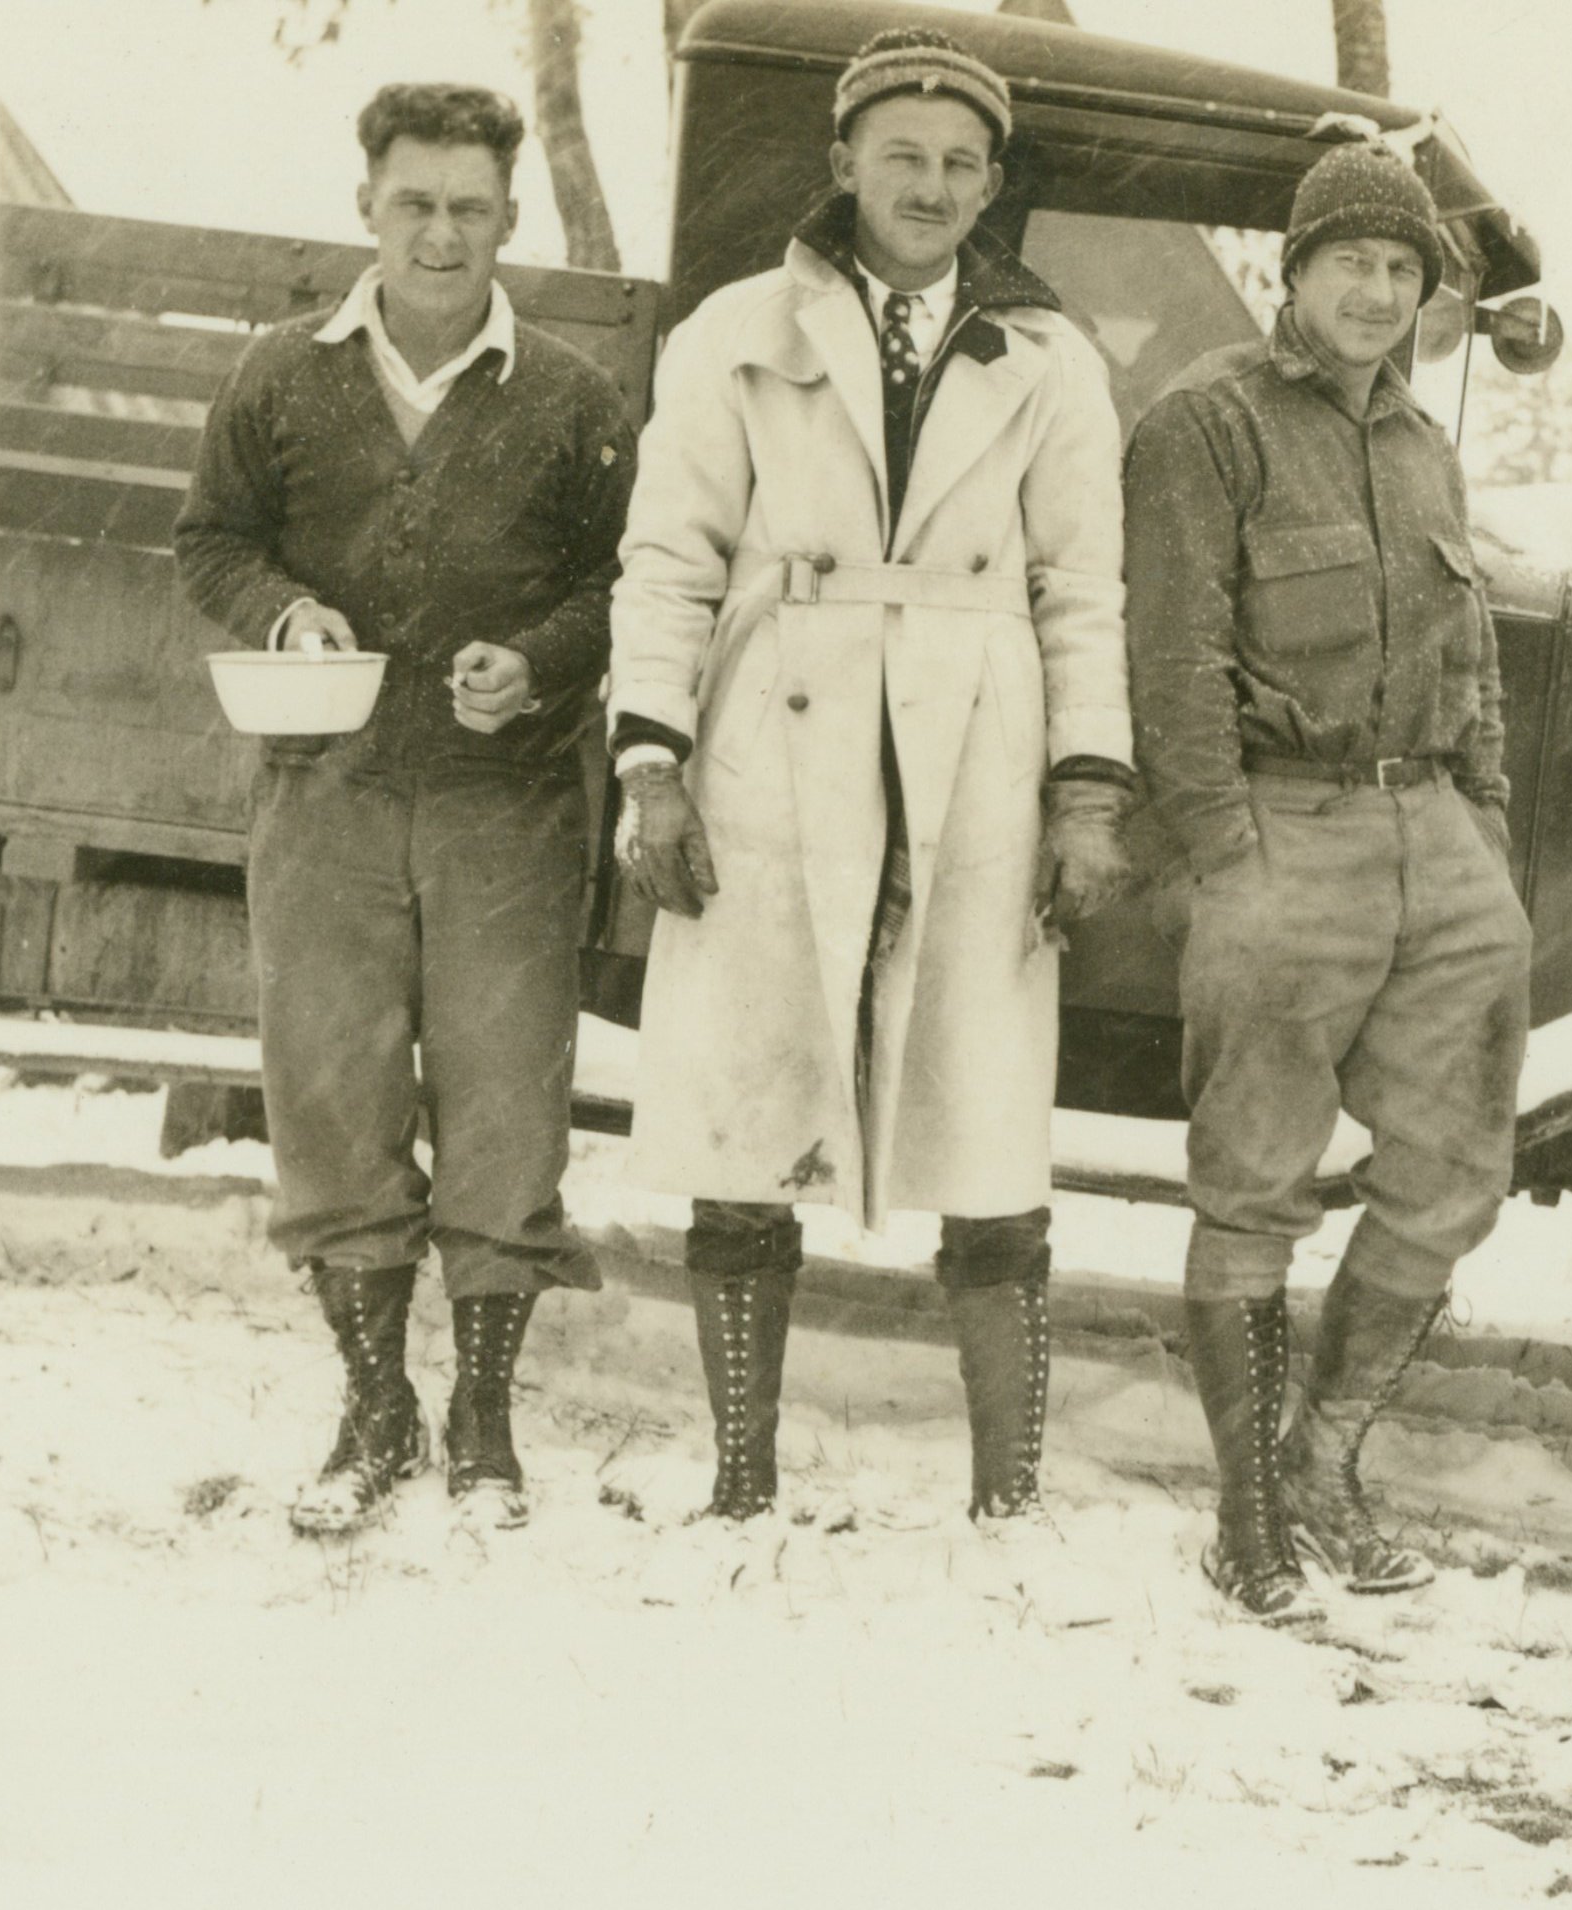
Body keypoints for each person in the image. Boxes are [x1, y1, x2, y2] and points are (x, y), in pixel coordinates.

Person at [605, 28, 1136, 1545]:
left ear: (993, 184)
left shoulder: (1050, 359)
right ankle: (742, 1477)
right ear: (841, 163)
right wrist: (653, 762)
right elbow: (670, 555)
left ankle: (1007, 1493)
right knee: (752, 1092)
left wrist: (1087, 791)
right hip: (777, 743)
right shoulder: (733, 332)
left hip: (976, 754)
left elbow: (1083, 587)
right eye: (902, 155)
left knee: (984, 1108)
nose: (932, 186)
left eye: (963, 163)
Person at [176, 83, 636, 1535]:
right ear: (364, 207)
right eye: (414, 203)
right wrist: (286, 605)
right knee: (331, 1091)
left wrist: (545, 661)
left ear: (512, 217)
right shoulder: (278, 375)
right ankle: (373, 1399)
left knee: (507, 1102)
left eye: (471, 207)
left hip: (506, 805)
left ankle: (482, 1414)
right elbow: (212, 539)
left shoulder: (568, 398)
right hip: (326, 793)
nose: (443, 233)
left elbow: (621, 582)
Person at [1121, 141, 1529, 1626]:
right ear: (1290, 271)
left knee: (1454, 1172)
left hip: (1435, 834)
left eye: (1402, 269)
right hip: (1281, 832)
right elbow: (1168, 664)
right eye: (1349, 261)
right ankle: (1248, 1517)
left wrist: (1482, 833)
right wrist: (1232, 858)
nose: (1375, 290)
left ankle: (1324, 1460)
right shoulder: (1204, 425)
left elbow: (1470, 662)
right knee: (1256, 1182)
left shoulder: (1425, 445)